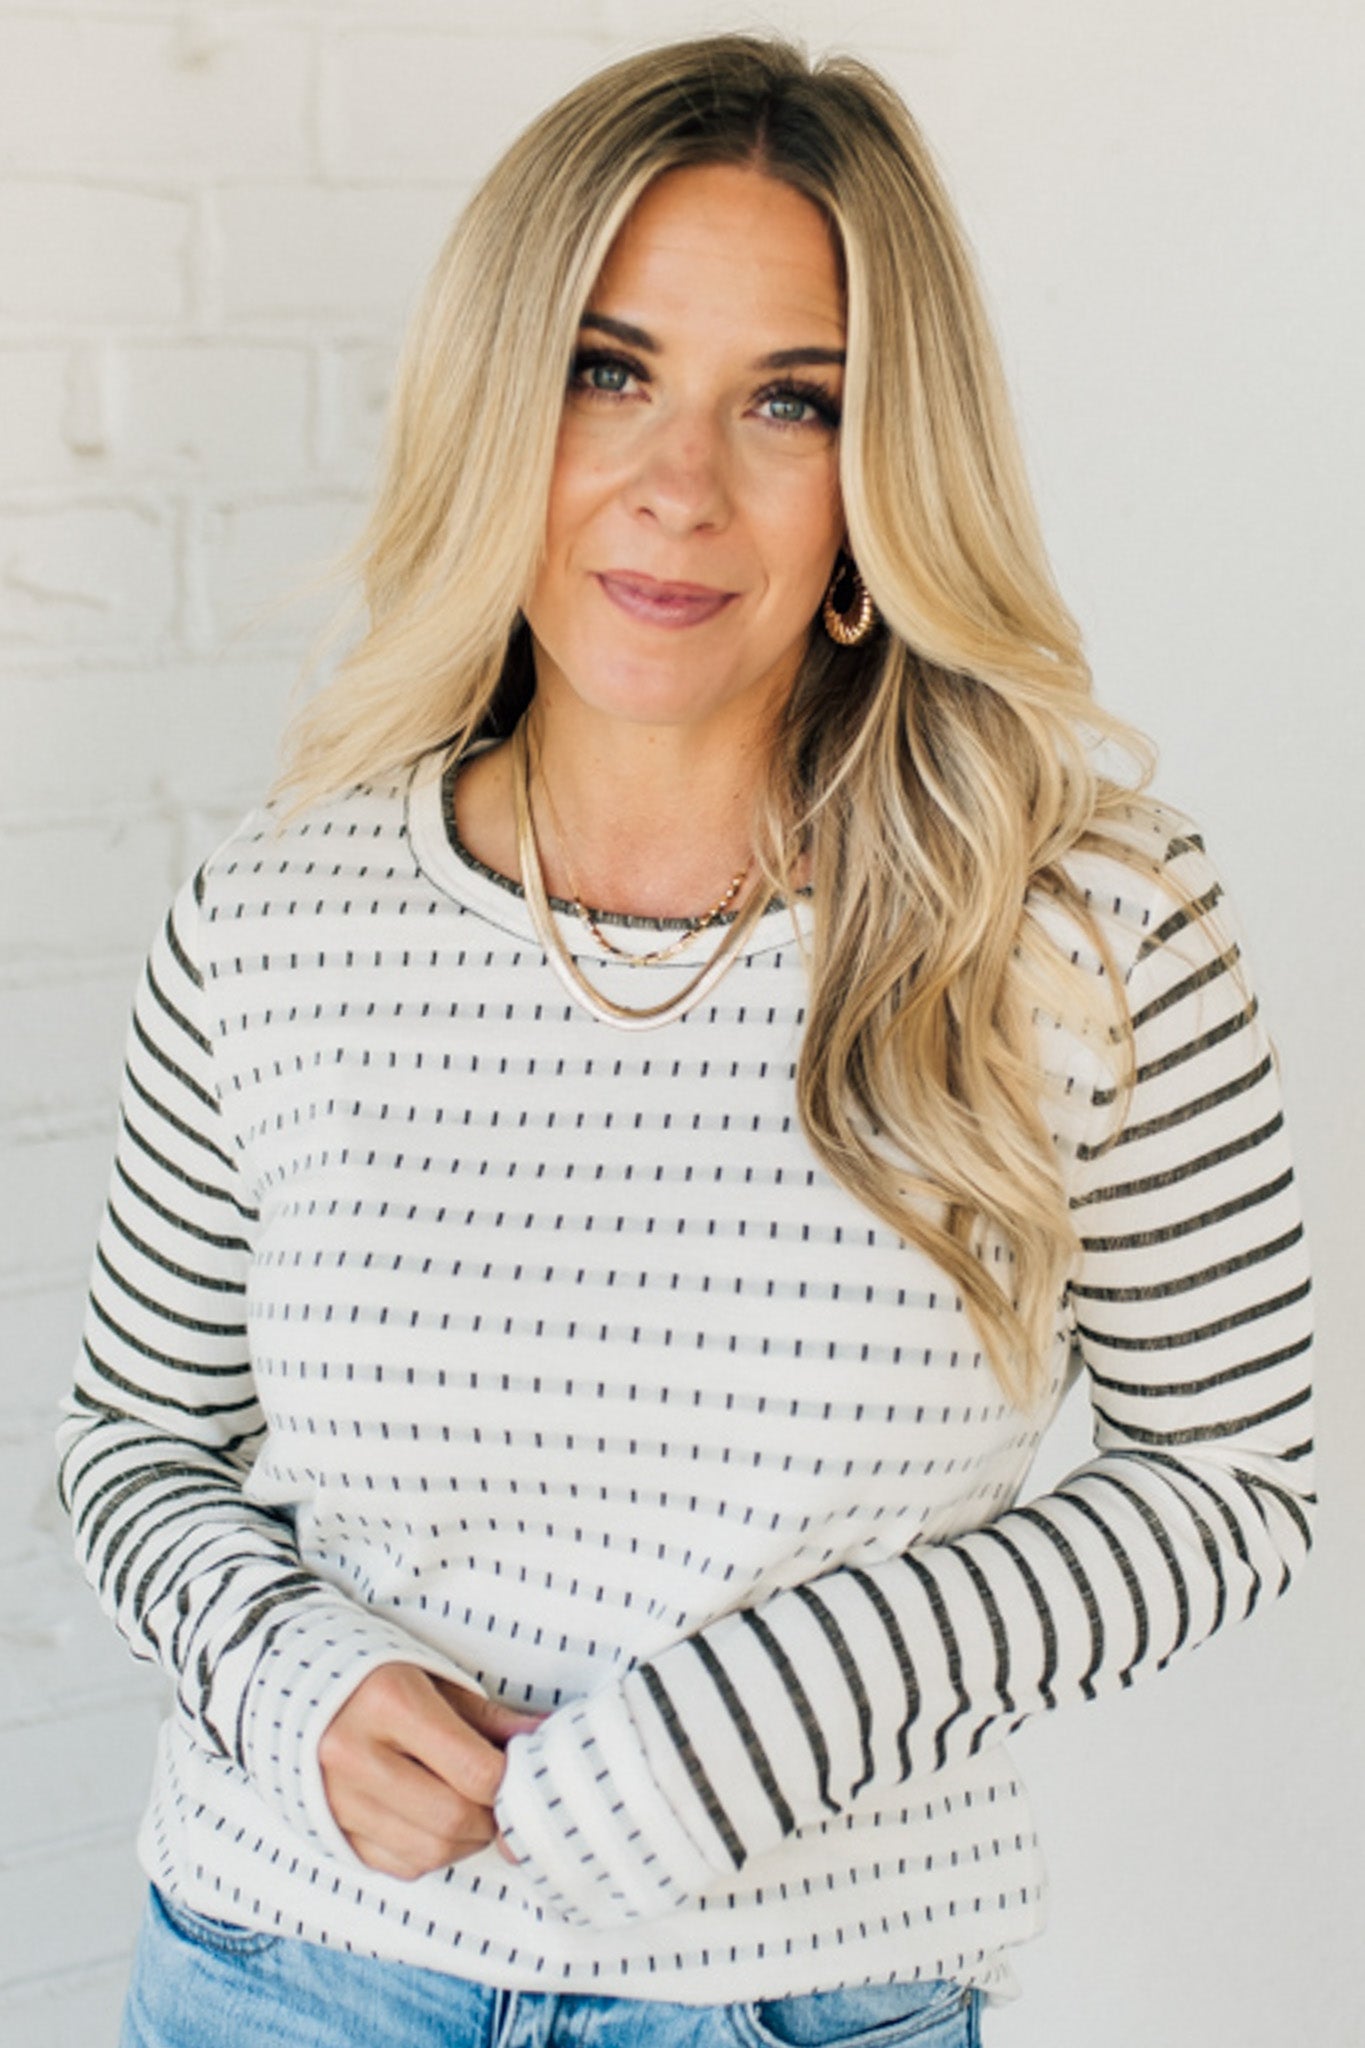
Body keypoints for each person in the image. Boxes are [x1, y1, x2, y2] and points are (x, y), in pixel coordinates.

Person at [59, 33, 1313, 2048]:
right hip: (279, 1975)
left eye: (789, 402)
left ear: (878, 466)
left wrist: (785, 1699)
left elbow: (1230, 1481)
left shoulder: (1082, 921)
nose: (673, 483)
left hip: (796, 1997)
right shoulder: (277, 918)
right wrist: (297, 1681)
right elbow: (128, 1446)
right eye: (605, 367)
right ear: (495, 403)